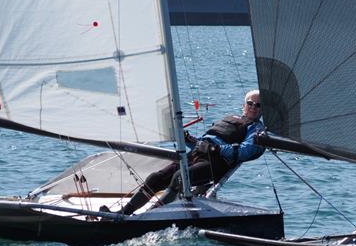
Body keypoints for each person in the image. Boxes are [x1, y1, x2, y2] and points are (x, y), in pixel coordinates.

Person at [104, 90, 265, 215]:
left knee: (180, 178)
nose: (253, 107)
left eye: (258, 105)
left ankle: (149, 216)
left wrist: (214, 149)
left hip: (214, 163)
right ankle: (123, 213)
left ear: (263, 109)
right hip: (196, 154)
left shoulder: (257, 130)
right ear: (244, 104)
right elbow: (203, 141)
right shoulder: (231, 118)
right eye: (250, 103)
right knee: (155, 179)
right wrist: (188, 139)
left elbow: (246, 151)